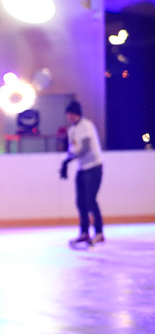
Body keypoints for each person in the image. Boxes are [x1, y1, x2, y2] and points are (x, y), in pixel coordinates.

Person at [60, 101, 105, 246]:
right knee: (80, 202)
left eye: (73, 114)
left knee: (91, 200)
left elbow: (85, 148)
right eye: (69, 114)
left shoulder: (85, 126)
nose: (71, 117)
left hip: (93, 167)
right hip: (82, 168)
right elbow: (72, 148)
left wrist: (69, 161)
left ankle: (99, 233)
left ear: (78, 114)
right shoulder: (72, 129)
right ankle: (84, 233)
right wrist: (66, 161)